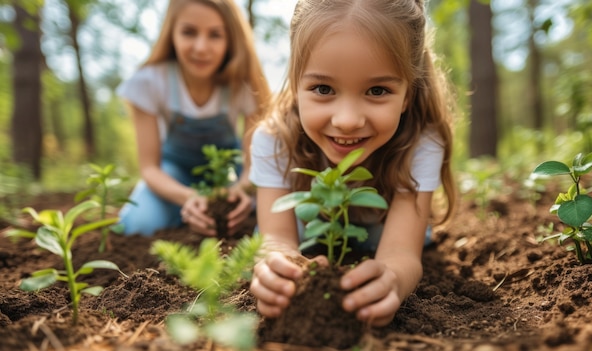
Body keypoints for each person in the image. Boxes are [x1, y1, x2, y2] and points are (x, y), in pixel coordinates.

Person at [248, 0, 457, 328]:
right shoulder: (274, 140)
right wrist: (276, 269)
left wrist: (392, 279)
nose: (346, 121)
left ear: (407, 94)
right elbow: (276, 238)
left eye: (377, 90)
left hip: (387, 233)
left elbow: (401, 253)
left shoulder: (420, 142)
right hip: (306, 231)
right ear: (295, 80)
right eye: (323, 88)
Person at [116, 0, 270, 237]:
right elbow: (149, 168)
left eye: (215, 35)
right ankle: (186, 214)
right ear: (172, 33)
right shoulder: (149, 82)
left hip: (229, 173)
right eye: (189, 32)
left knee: (277, 209)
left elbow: (252, 165)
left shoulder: (243, 83)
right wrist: (189, 197)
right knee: (139, 225)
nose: (201, 47)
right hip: (175, 174)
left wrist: (242, 190)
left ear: (231, 38)